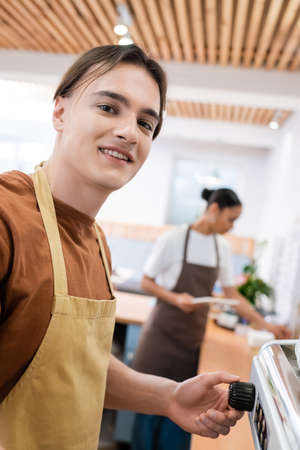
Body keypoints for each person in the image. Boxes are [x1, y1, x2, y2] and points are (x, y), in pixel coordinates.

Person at [0, 45, 244, 449]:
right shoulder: (8, 219)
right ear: (60, 111)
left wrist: (168, 396)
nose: (130, 132)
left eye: (146, 123)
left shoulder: (96, 241)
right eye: (110, 108)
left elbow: (76, 365)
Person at [132, 186, 291, 450]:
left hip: (191, 343)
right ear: (214, 209)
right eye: (231, 219)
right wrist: (175, 298)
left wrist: (267, 326)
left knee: (183, 410)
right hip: (159, 341)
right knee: (149, 409)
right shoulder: (173, 239)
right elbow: (146, 282)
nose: (232, 227)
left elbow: (232, 297)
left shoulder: (222, 248)